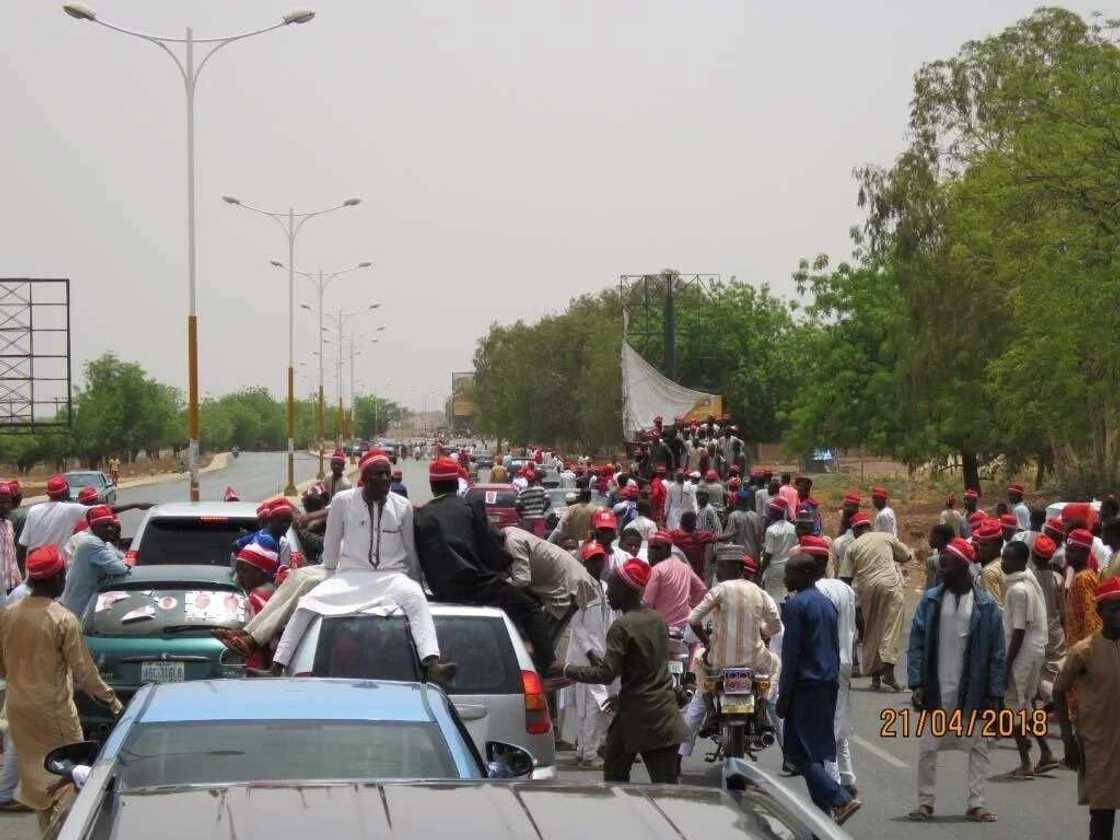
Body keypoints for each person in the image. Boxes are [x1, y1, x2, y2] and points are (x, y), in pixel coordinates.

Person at [270, 450, 453, 684]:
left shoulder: (402, 506)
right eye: (379, 475)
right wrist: (329, 573)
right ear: (364, 479)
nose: (386, 479)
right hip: (350, 577)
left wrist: (416, 580)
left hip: (391, 577)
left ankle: (431, 663)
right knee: (306, 604)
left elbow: (410, 550)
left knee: (416, 597)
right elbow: (332, 544)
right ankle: (276, 666)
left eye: (387, 474)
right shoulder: (343, 501)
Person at [0, 546, 121, 830]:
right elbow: (85, 674)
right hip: (52, 711)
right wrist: (113, 702)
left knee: (37, 781)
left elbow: (2, 668)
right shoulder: (62, 618)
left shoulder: (8, 614)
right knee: (66, 780)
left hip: (18, 708)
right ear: (56, 578)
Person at [415, 456, 556, 674]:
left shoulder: (421, 515)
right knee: (531, 608)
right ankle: (549, 666)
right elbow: (492, 546)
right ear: (455, 483)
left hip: (440, 589)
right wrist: (502, 566)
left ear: (433, 487)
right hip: (478, 586)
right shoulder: (470, 508)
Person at [558, 560, 689, 784]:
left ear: (628, 591)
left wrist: (566, 669)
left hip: (643, 716)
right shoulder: (657, 620)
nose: (608, 593)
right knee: (663, 787)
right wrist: (622, 697)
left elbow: (606, 674)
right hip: (658, 715)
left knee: (618, 783)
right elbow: (648, 669)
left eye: (614, 586)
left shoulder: (622, 626)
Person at [907, 536, 1004, 824]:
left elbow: (997, 654)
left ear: (963, 567)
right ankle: (925, 803)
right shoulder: (931, 600)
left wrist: (994, 694)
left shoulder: (986, 607)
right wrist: (917, 684)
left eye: (946, 566)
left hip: (972, 691)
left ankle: (977, 803)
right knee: (928, 748)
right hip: (937, 688)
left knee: (979, 747)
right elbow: (917, 642)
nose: (941, 571)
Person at [777, 554, 861, 825]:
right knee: (818, 751)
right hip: (827, 683)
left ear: (806, 573)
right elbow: (833, 648)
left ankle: (840, 798)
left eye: (790, 572)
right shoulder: (826, 604)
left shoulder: (796, 605)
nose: (785, 578)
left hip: (805, 686)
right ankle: (822, 817)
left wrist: (784, 695)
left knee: (799, 754)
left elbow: (791, 654)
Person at [680, 551, 781, 761]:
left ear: (734, 569)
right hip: (754, 661)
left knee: (699, 661)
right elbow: (775, 624)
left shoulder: (719, 590)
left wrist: (708, 643)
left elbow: (693, 619)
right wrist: (763, 632)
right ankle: (762, 707)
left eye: (721, 567)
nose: (717, 572)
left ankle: (708, 712)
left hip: (719, 661)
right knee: (776, 664)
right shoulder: (758, 591)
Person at [1054, 577, 1120, 840]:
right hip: (1097, 744)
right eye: (1113, 608)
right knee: (1102, 815)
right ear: (1100, 611)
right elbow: (1058, 690)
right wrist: (1067, 739)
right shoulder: (1084, 651)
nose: (1119, 614)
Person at [562, 541, 616, 769]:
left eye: (600, 559)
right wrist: (590, 653)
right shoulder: (579, 586)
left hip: (603, 654)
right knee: (594, 705)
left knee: (593, 706)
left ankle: (584, 749)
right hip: (587, 658)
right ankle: (589, 754)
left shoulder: (604, 586)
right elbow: (576, 625)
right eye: (593, 560)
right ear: (584, 563)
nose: (598, 563)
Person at [1000, 539, 1052, 777]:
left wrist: (1006, 665)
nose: (1003, 562)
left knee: (1014, 707)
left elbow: (1018, 630)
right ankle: (1046, 752)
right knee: (1027, 705)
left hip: (1022, 654)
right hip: (1033, 651)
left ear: (1020, 561)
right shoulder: (1025, 581)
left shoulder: (1019, 589)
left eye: (1008, 558)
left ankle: (1025, 762)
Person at [843, 512, 911, 691]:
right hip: (890, 585)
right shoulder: (886, 537)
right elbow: (905, 556)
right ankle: (888, 673)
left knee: (872, 629)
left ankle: (875, 677)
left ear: (855, 531)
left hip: (867, 589)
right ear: (869, 526)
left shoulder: (853, 546)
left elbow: (845, 578)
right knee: (891, 626)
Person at [59, 506, 130, 616]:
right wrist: (126, 563)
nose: (110, 529)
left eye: (111, 525)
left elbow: (123, 558)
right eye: (106, 526)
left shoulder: (102, 542)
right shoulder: (90, 543)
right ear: (94, 526)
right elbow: (121, 569)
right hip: (77, 609)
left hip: (85, 605)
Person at [641, 530, 707, 630]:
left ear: (668, 549)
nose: (653, 552)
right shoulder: (685, 567)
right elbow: (701, 589)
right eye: (651, 548)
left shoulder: (657, 570)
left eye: (657, 548)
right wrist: (690, 606)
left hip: (664, 629)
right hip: (685, 628)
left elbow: (647, 603)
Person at [1030, 535, 1066, 707]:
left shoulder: (1029, 578)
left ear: (1034, 556)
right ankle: (1056, 695)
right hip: (1055, 627)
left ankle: (1050, 696)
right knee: (1055, 664)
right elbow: (1063, 609)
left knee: (1039, 666)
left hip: (1036, 627)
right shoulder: (1057, 578)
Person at [1065, 528, 1102, 651]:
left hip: (1081, 649)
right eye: (1067, 550)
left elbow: (1091, 619)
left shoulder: (1083, 579)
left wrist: (1087, 652)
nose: (1067, 554)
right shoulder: (1082, 574)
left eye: (1072, 551)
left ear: (1085, 553)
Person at [760, 497, 798, 606]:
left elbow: (768, 554)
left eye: (771, 510)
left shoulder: (771, 530)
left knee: (772, 598)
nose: (769, 512)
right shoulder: (793, 528)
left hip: (774, 569)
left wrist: (761, 571)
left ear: (777, 512)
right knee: (785, 594)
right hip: (788, 567)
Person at [234, 538, 279, 616]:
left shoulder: (256, 599)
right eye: (238, 570)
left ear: (262, 572)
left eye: (245, 570)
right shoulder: (274, 590)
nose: (239, 575)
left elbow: (255, 628)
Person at [669, 511, 717, 580]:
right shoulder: (701, 536)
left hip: (680, 576)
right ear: (695, 524)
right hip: (697, 576)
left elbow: (662, 533)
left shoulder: (675, 535)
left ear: (681, 523)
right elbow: (720, 538)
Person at [721, 489, 764, 563]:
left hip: (738, 554)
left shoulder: (733, 515)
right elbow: (759, 537)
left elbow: (729, 537)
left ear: (738, 501)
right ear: (749, 501)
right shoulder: (755, 516)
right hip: (752, 553)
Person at [972, 519, 1006, 606]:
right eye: (980, 544)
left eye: (985, 545)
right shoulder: (1008, 562)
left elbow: (995, 609)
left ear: (1000, 544)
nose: (980, 548)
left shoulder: (988, 571)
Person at [0, 484, 19, 594]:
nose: (5, 506)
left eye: (7, 502)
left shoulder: (9, 524)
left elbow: (12, 556)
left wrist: (18, 580)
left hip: (12, 585)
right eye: (1, 502)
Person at [925, 524, 954, 591]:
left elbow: (930, 587)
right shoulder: (955, 555)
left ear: (939, 538)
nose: (929, 540)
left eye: (932, 537)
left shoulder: (933, 561)